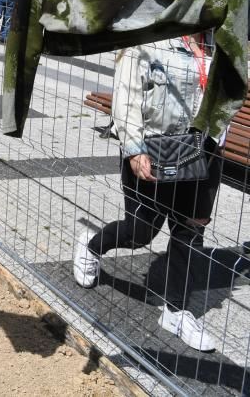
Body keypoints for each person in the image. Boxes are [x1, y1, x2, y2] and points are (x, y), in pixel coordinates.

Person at [73, 35, 228, 352]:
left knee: (190, 232)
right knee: (140, 231)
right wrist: (133, 148)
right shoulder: (152, 38)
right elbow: (126, 97)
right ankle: (90, 247)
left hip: (204, 152)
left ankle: (176, 311)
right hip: (155, 149)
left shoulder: (222, 43)